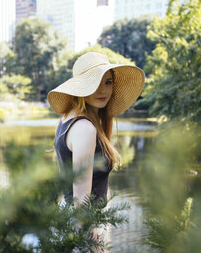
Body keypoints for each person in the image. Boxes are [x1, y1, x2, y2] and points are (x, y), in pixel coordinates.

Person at [48, 51, 145, 208]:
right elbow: (81, 201)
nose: (102, 90)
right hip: (84, 222)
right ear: (80, 88)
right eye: (94, 83)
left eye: (107, 82)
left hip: (73, 216)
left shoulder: (70, 118)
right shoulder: (84, 128)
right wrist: (89, 229)